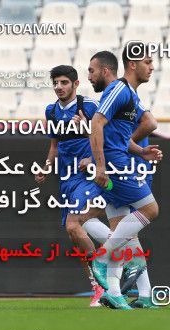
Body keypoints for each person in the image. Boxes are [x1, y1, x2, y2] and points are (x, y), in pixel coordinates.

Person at [88, 46, 162, 309]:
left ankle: (119, 293)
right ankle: (101, 258)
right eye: (148, 61)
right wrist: (100, 166)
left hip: (120, 159)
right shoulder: (119, 89)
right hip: (114, 164)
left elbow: (120, 135)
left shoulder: (130, 94)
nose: (152, 67)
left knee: (125, 233)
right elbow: (96, 123)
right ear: (132, 64)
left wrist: (141, 151)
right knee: (150, 210)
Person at [35, 65, 112, 307]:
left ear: (75, 84)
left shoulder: (88, 106)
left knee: (73, 223)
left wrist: (93, 157)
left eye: (64, 83)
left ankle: (103, 283)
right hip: (66, 178)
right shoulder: (51, 111)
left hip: (87, 175)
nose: (59, 87)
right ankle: (103, 277)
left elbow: (106, 136)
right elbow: (55, 146)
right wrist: (46, 168)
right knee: (74, 234)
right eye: (56, 83)